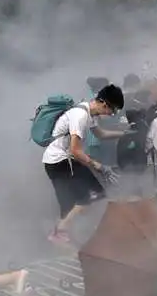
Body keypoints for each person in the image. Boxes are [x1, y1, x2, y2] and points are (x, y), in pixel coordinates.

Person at [43, 84, 127, 245]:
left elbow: (101, 134)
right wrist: (100, 167)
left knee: (72, 204)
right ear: (103, 103)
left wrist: (124, 134)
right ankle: (58, 232)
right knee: (91, 195)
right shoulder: (80, 116)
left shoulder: (90, 114)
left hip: (64, 160)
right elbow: (75, 150)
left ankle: (62, 234)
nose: (111, 114)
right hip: (60, 161)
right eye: (112, 110)